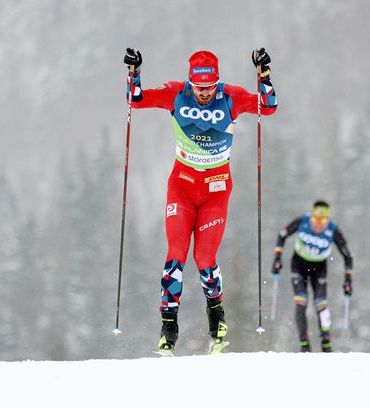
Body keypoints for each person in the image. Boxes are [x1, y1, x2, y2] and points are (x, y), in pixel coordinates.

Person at [123, 47, 277, 353]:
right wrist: (134, 72)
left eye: (208, 88)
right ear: (190, 83)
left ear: (217, 83)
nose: (204, 94)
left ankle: (216, 315)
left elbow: (267, 107)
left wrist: (265, 75)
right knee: (175, 255)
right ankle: (169, 327)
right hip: (181, 186)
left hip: (215, 190)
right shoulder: (177, 94)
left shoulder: (230, 97)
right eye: (198, 89)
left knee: (204, 260)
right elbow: (136, 99)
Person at [272, 200, 353, 352]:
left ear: (327, 220)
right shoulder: (303, 221)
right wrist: (277, 257)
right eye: (315, 220)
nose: (318, 225)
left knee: (321, 305)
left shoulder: (333, 230)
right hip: (298, 265)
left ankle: (326, 344)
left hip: (319, 268)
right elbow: (282, 235)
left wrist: (348, 280)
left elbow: (348, 256)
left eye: (322, 221)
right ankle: (304, 345)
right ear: (311, 217)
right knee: (301, 303)